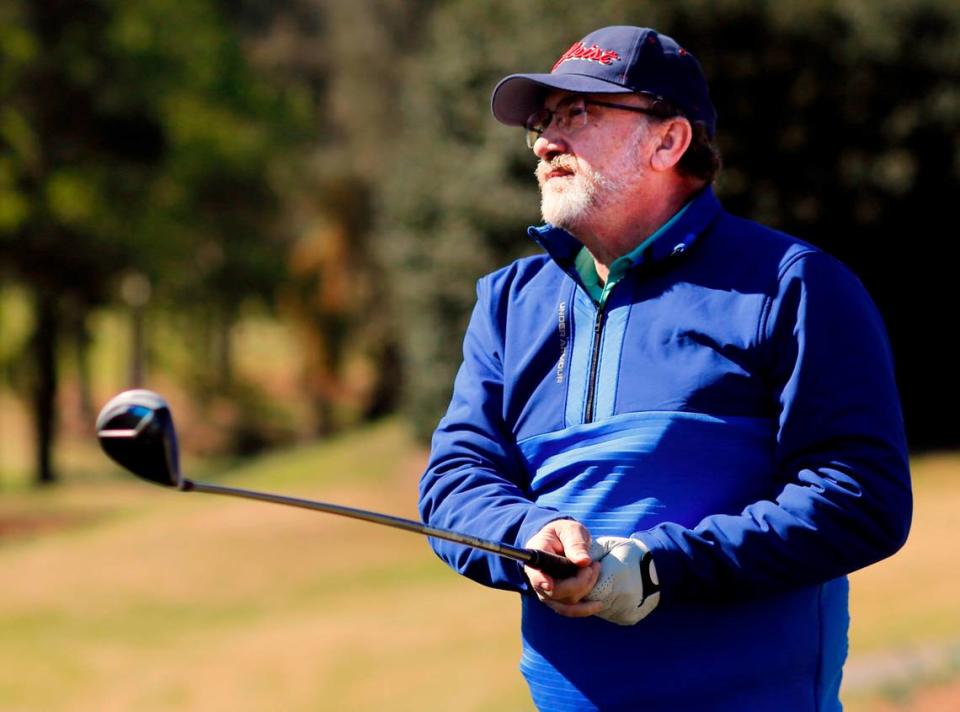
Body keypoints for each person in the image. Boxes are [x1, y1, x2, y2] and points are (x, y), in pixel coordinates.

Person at [418, 25, 911, 711]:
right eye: (542, 121)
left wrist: (658, 567)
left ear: (668, 141)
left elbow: (860, 498)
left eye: (577, 114)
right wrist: (525, 535)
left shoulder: (794, 285)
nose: (545, 141)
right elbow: (455, 479)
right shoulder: (508, 303)